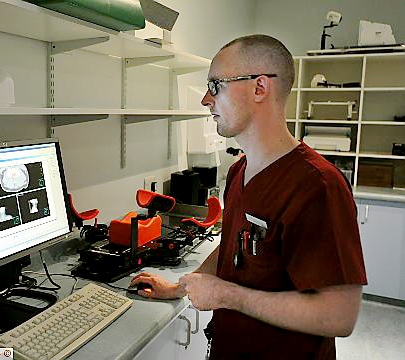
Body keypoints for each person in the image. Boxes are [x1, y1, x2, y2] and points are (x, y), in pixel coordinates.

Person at [131, 34, 367, 359]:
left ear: (260, 88)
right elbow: (231, 246)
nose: (205, 99)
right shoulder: (239, 171)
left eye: (216, 86)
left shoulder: (318, 185)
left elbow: (339, 315)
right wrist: (180, 287)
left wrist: (228, 295)